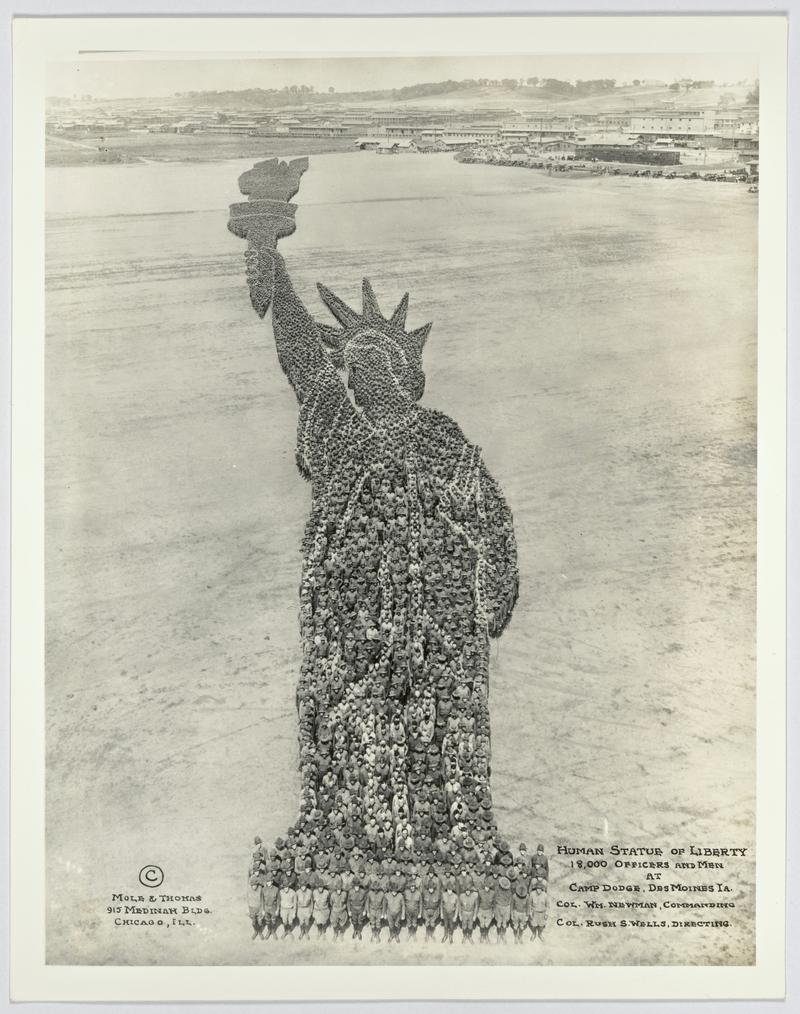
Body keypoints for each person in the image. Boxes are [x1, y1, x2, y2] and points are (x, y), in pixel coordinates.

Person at [261, 876, 281, 940]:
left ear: (272, 882)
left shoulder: (276, 889)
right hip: (266, 907)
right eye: (267, 882)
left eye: (269, 881)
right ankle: (269, 931)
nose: (268, 883)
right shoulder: (263, 889)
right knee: (267, 921)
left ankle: (273, 931)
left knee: (274, 920)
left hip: (273, 907)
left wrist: (277, 909)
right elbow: (262, 900)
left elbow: (278, 900)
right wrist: (263, 910)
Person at [494, 875, 512, 942]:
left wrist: (508, 908)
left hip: (506, 908)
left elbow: (510, 900)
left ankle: (503, 935)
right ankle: (498, 935)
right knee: (499, 922)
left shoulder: (509, 891)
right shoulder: (497, 889)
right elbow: (495, 898)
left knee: (504, 923)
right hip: (498, 907)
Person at [511, 878, 530, 943]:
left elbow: (528, 906)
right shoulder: (514, 896)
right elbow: (512, 906)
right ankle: (516, 937)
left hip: (523, 913)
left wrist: (527, 915)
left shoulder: (527, 896)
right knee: (515, 926)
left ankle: (520, 937)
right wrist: (512, 914)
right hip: (516, 912)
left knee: (522, 926)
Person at [247, 873, 265, 941]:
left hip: (259, 908)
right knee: (254, 922)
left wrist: (263, 910)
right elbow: (248, 899)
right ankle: (255, 931)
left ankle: (260, 932)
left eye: (255, 885)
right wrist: (248, 909)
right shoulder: (248, 890)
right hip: (252, 908)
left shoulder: (260, 889)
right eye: (253, 885)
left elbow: (262, 899)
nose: (254, 887)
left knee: (260, 922)